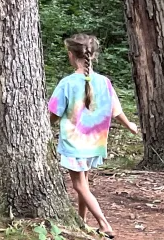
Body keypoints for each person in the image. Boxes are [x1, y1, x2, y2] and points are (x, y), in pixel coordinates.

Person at [48, 34, 140, 239]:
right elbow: (117, 110)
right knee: (84, 184)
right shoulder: (104, 82)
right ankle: (82, 221)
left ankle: (104, 224)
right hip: (95, 142)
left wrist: (43, 126)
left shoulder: (67, 83)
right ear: (93, 56)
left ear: (71, 55)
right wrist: (130, 126)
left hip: (75, 143)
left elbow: (53, 113)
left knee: (78, 185)